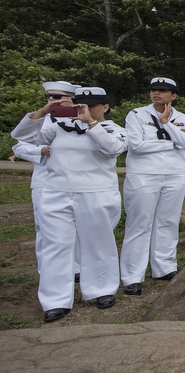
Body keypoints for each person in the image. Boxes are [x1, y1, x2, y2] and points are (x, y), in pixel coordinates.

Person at [17, 87, 126, 322]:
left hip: (95, 194)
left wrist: (90, 124)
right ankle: (55, 300)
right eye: (78, 104)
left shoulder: (113, 129)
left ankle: (102, 289)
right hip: (58, 193)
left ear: (105, 107)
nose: (83, 109)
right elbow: (23, 137)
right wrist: (47, 110)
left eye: (92, 105)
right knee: (55, 246)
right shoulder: (57, 126)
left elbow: (113, 149)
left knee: (98, 244)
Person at [120, 77, 185, 296]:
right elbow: (136, 145)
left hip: (174, 175)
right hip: (144, 176)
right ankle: (132, 276)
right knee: (139, 225)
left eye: (163, 91)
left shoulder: (183, 118)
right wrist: (172, 143)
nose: (157, 94)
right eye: (154, 90)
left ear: (173, 96)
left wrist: (166, 124)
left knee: (168, 221)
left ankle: (165, 267)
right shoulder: (136, 115)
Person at [10, 80, 81, 277]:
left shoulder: (85, 116)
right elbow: (19, 142)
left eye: (57, 97)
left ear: (71, 99)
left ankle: (76, 269)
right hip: (46, 178)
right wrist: (42, 150)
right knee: (45, 228)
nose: (51, 100)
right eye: (48, 97)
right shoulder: (41, 119)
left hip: (77, 179)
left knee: (78, 226)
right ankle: (47, 270)